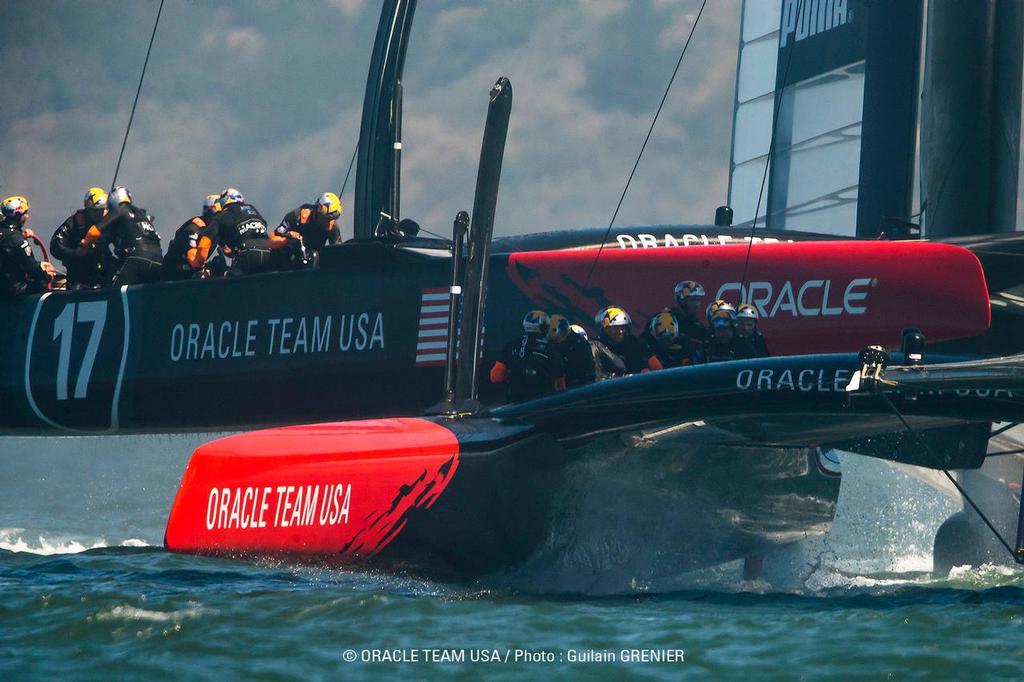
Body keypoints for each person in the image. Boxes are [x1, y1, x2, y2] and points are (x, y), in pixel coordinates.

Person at [80, 186, 162, 285]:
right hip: (158, 261)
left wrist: (85, 245)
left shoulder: (120, 210)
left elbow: (93, 232)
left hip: (137, 258)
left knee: (115, 292)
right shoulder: (142, 215)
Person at [489, 310, 566, 402]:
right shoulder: (552, 349)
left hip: (516, 405)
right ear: (546, 326)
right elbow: (561, 386)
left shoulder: (512, 346)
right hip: (544, 405)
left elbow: (495, 377)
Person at [204, 188, 275, 276]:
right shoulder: (252, 209)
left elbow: (205, 242)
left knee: (232, 281)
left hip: (248, 253)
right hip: (269, 252)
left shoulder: (221, 216)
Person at [50, 187, 111, 289]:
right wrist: (75, 252)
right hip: (79, 278)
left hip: (103, 276)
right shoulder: (74, 222)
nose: (104, 214)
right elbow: (55, 246)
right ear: (89, 209)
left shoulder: (107, 222)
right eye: (99, 211)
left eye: (106, 210)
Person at [0, 196, 56, 298]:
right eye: (25, 213)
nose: (27, 216)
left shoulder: (8, 234)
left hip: (3, 284)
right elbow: (32, 269)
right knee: (41, 284)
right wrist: (47, 276)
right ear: (17, 215)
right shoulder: (17, 240)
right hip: (11, 290)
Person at [273, 191, 342, 269]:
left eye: (331, 219)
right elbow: (278, 232)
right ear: (317, 212)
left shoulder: (333, 228)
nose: (327, 222)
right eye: (325, 218)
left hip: (313, 262)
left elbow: (338, 252)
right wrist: (289, 235)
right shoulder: (298, 215)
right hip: (288, 256)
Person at [163, 194, 222, 281]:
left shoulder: (216, 230)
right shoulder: (193, 229)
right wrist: (205, 270)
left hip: (190, 272)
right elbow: (192, 257)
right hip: (175, 276)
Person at [594, 305, 662, 376]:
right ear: (605, 329)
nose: (620, 331)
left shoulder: (638, 344)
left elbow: (658, 370)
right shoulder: (596, 347)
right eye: (615, 327)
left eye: (622, 327)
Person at [548, 314, 595, 388]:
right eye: (553, 339)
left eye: (560, 336)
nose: (556, 341)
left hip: (580, 386)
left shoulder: (579, 344)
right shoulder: (551, 346)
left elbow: (587, 372)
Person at [673, 280, 708, 360]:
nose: (697, 304)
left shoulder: (699, 328)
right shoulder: (669, 320)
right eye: (693, 300)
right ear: (681, 301)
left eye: (698, 300)